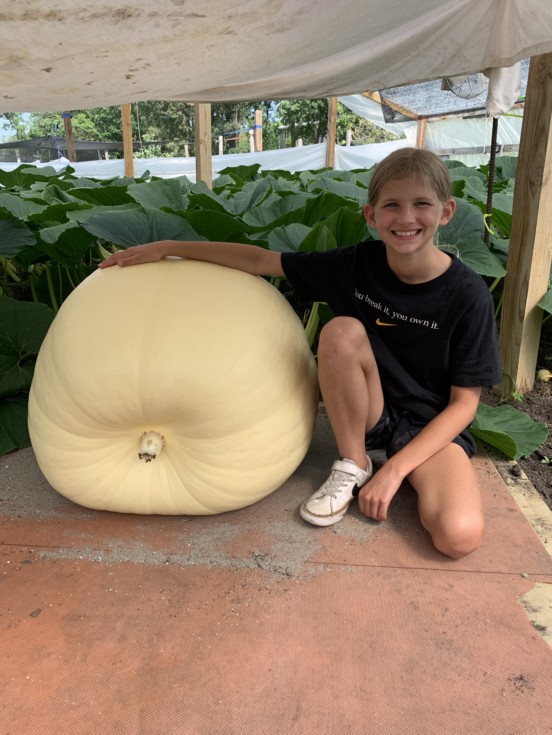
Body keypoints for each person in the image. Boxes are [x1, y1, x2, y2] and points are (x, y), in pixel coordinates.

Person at [99, 148, 501, 559]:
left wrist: (397, 470)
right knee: (340, 331)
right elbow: (260, 260)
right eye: (392, 205)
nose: (406, 218)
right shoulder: (353, 264)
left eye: (422, 204)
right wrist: (170, 247)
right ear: (371, 215)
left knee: (458, 537)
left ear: (446, 212)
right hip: (369, 411)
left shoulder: (469, 296)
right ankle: (354, 464)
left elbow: (464, 406)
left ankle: (397, 466)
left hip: (431, 426)